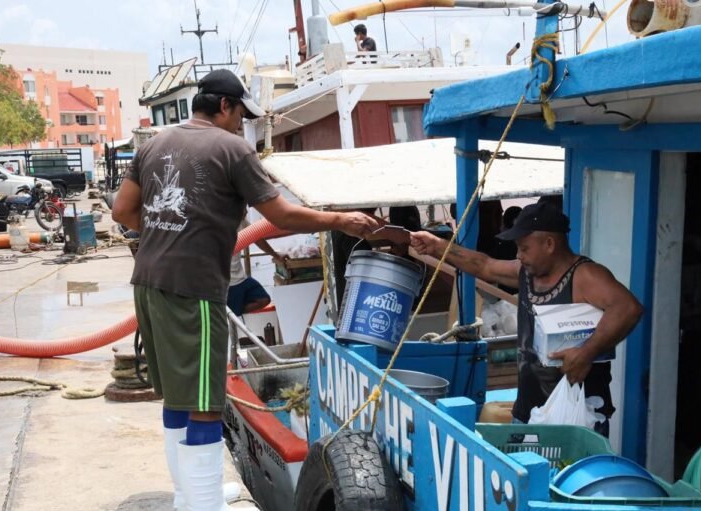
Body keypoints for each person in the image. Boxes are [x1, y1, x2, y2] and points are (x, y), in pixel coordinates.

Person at [112, 68, 379, 511]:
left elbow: (123, 210)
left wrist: (167, 231)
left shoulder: (155, 142)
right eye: (240, 115)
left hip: (148, 282)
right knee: (205, 401)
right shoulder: (232, 149)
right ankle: (202, 505)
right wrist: (339, 219)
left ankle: (190, 496)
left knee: (180, 396)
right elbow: (282, 214)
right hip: (193, 288)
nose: (243, 124)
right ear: (224, 106)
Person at [410, 201, 643, 435]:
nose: (519, 255)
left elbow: (627, 308)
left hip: (577, 415)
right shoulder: (526, 272)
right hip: (528, 412)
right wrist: (439, 246)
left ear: (549, 244)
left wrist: (586, 352)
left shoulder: (584, 275)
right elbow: (484, 265)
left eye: (524, 248)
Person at [227, 219, 282, 316]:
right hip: (227, 281)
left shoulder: (241, 221)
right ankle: (232, 312)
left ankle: (235, 310)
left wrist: (275, 255)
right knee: (230, 317)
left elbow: (257, 238)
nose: (246, 211)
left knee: (264, 299)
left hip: (240, 278)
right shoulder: (217, 219)